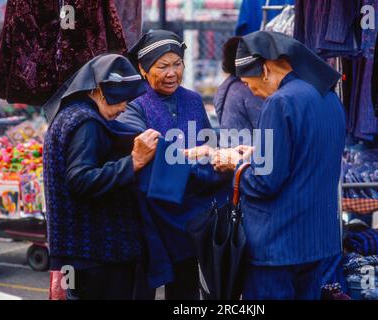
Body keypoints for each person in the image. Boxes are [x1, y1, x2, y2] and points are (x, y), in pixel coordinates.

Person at [212, 31, 346, 300]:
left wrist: (234, 162)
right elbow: (306, 156)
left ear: (264, 69)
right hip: (316, 241)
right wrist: (258, 153)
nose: (254, 92)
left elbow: (264, 182)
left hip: (277, 244)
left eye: (249, 84)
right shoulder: (328, 97)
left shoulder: (280, 102)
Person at [118, 30, 225, 300]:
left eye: (177, 64)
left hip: (187, 217)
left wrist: (210, 153)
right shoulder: (134, 106)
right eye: (162, 66)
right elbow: (150, 154)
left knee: (185, 289)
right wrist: (193, 154)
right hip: (150, 218)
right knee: (142, 289)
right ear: (143, 69)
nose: (172, 73)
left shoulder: (193, 100)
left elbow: (210, 146)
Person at [43, 54, 160, 300]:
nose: (123, 107)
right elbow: (79, 180)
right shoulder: (87, 123)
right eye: (120, 99)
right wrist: (133, 162)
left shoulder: (71, 112)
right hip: (97, 257)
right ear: (98, 90)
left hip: (78, 252)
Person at [213, 36, 263, 146]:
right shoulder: (248, 89)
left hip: (227, 152)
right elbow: (265, 125)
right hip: (247, 156)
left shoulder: (224, 87)